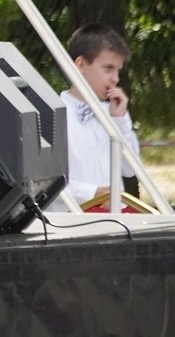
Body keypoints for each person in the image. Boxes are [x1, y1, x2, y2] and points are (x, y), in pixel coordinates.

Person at [60, 23, 141, 205]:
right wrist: (92, 193)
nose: (115, 79)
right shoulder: (54, 115)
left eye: (118, 71)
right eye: (108, 68)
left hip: (114, 215)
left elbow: (130, 169)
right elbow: (44, 183)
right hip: (74, 216)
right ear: (81, 64)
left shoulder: (113, 113)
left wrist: (120, 121)